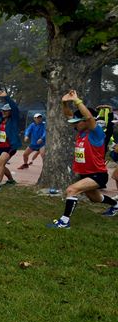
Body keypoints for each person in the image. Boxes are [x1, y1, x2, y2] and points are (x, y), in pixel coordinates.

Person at [48, 90, 118, 228]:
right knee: (95, 198)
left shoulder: (96, 133)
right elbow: (68, 115)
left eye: (77, 122)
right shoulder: (81, 131)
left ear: (86, 121)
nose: (74, 124)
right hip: (85, 174)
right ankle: (116, 205)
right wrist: (64, 103)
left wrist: (77, 100)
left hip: (97, 175)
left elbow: (90, 118)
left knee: (71, 190)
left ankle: (64, 222)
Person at [0, 90, 20, 191]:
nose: (3, 112)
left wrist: (6, 97)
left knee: (1, 162)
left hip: (11, 146)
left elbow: (15, 108)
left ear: (10, 112)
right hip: (1, 146)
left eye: (6, 111)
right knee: (0, 164)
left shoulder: (14, 119)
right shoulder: (0, 118)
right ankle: (11, 180)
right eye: (3, 110)